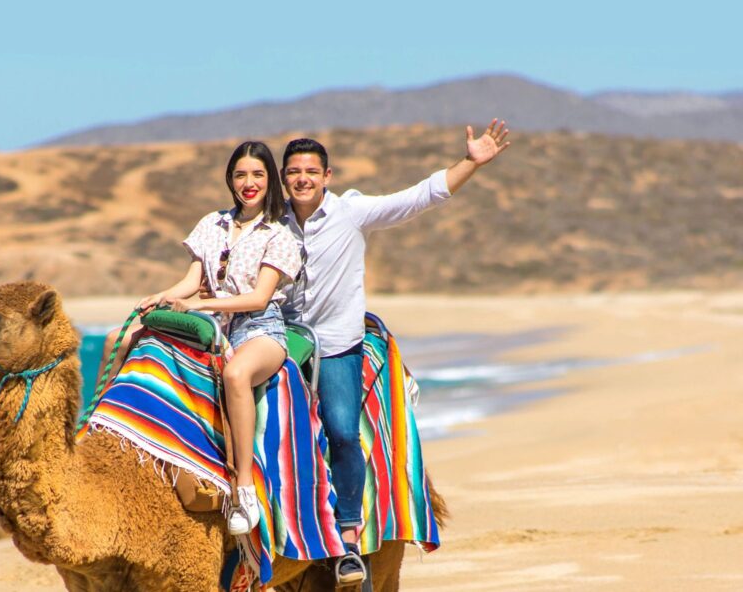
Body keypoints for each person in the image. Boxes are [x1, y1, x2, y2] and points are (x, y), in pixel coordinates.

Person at [280, 119, 512, 584]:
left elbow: (420, 196)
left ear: (327, 176)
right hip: (282, 342)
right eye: (293, 172)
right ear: (284, 179)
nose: (302, 178)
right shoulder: (271, 222)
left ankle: (347, 537)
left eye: (311, 170)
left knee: (344, 432)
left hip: (336, 347)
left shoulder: (351, 212)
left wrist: (470, 162)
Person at [99, 140, 302, 536]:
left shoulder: (279, 235)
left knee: (236, 376)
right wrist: (165, 296)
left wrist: (200, 307)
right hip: (211, 329)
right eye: (241, 175)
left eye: (258, 175)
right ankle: (101, 435)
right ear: (230, 179)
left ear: (270, 181)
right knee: (115, 339)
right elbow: (193, 281)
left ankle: (244, 487)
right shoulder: (212, 223)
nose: (249, 183)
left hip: (258, 327)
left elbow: (260, 297)